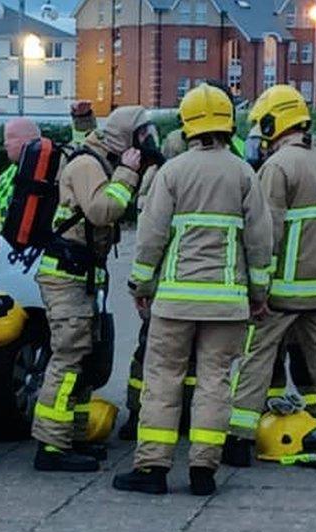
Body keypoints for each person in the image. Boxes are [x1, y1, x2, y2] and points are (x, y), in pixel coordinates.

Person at [112, 84, 272, 496]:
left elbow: (151, 238)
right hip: (228, 304)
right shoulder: (243, 174)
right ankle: (203, 469)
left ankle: (152, 469)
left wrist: (141, 285)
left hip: (174, 302)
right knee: (215, 382)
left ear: (187, 126)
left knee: (162, 379)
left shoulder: (173, 171)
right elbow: (259, 241)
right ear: (227, 123)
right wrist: (258, 293)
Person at [223, 84, 316, 467]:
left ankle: (238, 439)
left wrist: (257, 288)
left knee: (255, 359)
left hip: (282, 291)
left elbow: (267, 235)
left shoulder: (278, 167)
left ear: (272, 121)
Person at [31, 105, 157, 472]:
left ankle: (73, 435)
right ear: (124, 138)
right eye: (142, 136)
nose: (148, 143)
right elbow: (102, 211)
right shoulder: (87, 165)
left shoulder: (101, 161)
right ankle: (51, 446)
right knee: (68, 357)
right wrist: (128, 174)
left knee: (84, 358)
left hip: (84, 273)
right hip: (66, 274)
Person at [117, 127, 192, 442]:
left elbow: (148, 237)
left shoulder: (162, 179)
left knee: (149, 354)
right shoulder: (210, 177)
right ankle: (184, 416)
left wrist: (141, 285)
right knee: (194, 359)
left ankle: (138, 416)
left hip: (164, 286)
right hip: (196, 285)